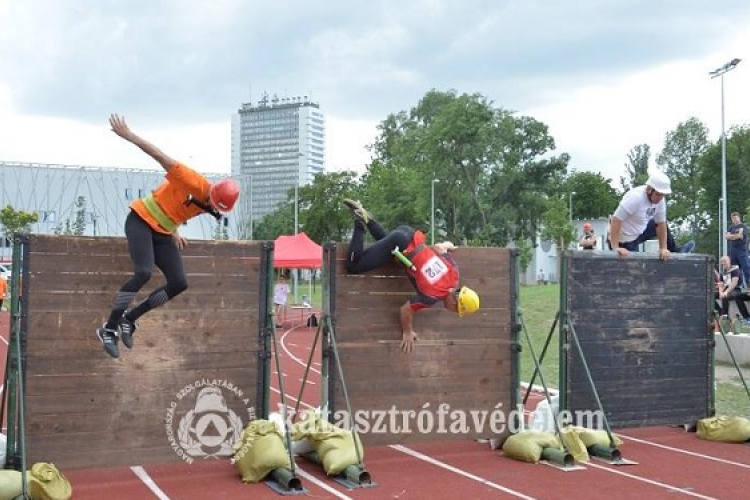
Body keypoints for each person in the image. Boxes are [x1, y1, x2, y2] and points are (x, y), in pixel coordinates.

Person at [96, 114, 240, 358]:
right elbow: (159, 156)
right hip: (140, 220)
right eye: (213, 202)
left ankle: (130, 319)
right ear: (212, 190)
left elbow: (175, 205)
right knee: (144, 272)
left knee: (179, 283)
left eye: (218, 207)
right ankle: (109, 328)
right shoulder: (192, 180)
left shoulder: (211, 206)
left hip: (163, 231)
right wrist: (129, 135)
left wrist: (175, 230)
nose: (213, 207)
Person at [342, 199, 480, 354]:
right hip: (400, 244)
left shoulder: (454, 273)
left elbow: (439, 247)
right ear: (455, 302)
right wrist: (408, 331)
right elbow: (405, 310)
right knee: (353, 266)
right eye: (456, 310)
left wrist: (450, 245)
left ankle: (368, 219)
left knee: (385, 247)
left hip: (409, 234)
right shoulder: (431, 296)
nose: (452, 311)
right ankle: (359, 221)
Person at [607, 170, 695, 260]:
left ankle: (674, 251)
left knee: (656, 223)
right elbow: (616, 220)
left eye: (662, 195)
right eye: (657, 194)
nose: (660, 198)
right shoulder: (635, 198)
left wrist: (663, 248)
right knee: (633, 268)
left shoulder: (660, 200)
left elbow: (660, 224)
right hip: (623, 239)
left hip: (638, 233)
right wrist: (615, 247)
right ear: (649, 190)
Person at [715, 255, 750, 329]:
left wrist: (726, 292)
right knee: (711, 295)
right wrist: (721, 292)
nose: (723, 263)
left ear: (729, 261)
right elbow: (721, 285)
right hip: (726, 290)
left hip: (735, 289)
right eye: (722, 262)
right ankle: (720, 311)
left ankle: (725, 317)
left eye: (725, 261)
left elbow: (734, 283)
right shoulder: (722, 273)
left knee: (726, 296)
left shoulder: (735, 270)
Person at [726, 212, 750, 288]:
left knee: (746, 267)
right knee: (735, 269)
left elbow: (740, 236)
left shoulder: (743, 226)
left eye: (736, 218)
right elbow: (727, 237)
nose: (734, 220)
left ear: (739, 218)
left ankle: (749, 285)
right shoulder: (731, 227)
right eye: (733, 218)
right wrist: (735, 236)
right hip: (733, 250)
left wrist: (731, 236)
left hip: (742, 250)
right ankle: (737, 286)